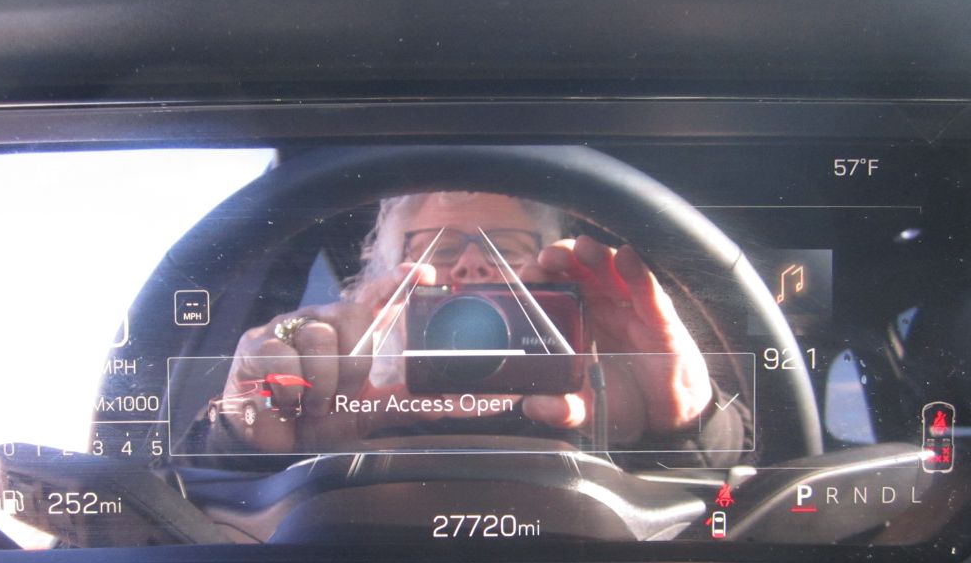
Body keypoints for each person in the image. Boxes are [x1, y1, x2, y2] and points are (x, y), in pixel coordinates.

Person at [214, 192, 750, 463]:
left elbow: (746, 486)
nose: (472, 264)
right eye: (440, 249)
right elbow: (190, 499)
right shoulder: (335, 398)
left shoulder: (605, 395)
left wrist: (685, 425)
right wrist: (251, 437)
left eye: (507, 249)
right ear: (386, 280)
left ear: (555, 275)